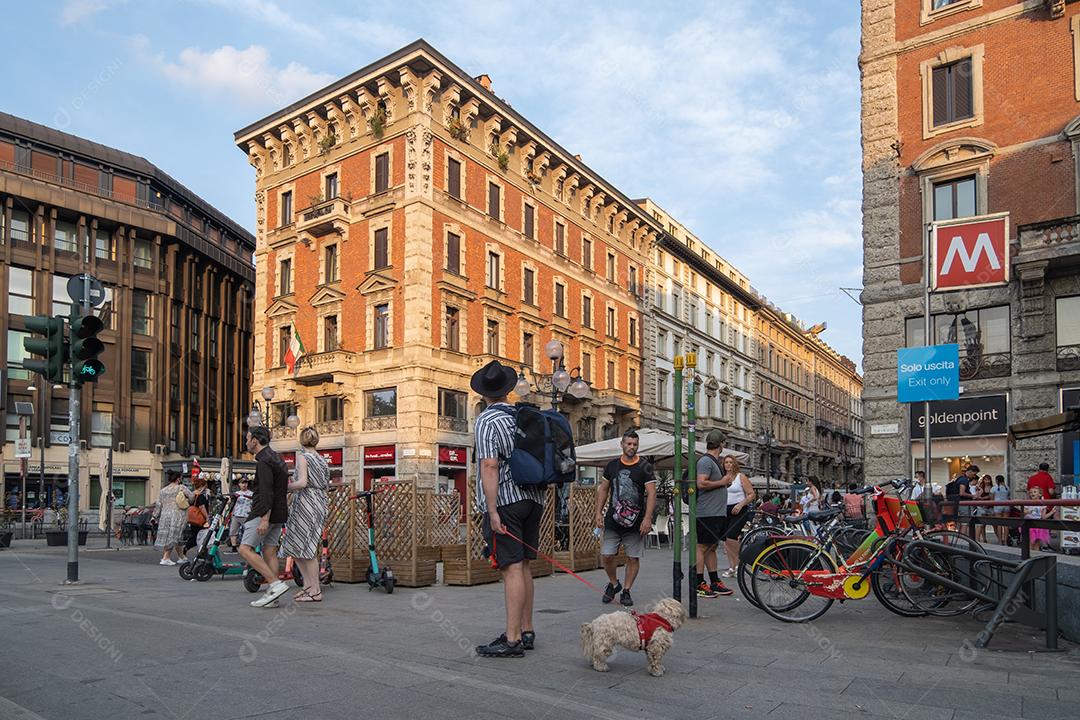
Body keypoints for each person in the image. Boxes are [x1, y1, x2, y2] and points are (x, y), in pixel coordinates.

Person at [471, 360, 546, 658]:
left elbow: (489, 465)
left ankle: (512, 639)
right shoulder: (522, 415)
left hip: (506, 500)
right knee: (524, 565)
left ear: (484, 394)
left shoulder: (487, 421)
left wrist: (492, 511)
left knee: (511, 567)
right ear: (507, 390)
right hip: (533, 499)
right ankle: (526, 629)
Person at [595, 430, 656, 607]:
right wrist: (598, 512)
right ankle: (614, 584)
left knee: (633, 557)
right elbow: (604, 489)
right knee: (606, 555)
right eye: (628, 444)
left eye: (635, 444)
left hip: (635, 522)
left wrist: (647, 518)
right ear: (622, 444)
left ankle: (627, 591)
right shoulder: (612, 466)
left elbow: (651, 493)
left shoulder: (644, 467)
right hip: (613, 520)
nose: (632, 447)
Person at [239, 426, 291, 609]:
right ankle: (273, 595)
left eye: (248, 439)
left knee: (245, 549)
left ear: (255, 440)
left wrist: (264, 518)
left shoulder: (264, 462)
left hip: (265, 512)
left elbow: (266, 491)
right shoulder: (277, 458)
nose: (246, 442)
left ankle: (275, 584)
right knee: (269, 551)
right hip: (280, 513)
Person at [279, 427, 330, 603]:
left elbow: (302, 482)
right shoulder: (322, 460)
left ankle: (315, 590)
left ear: (301, 440)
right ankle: (308, 587)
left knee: (305, 549)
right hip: (319, 502)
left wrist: (284, 487)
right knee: (298, 546)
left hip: (306, 502)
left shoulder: (302, 457)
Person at [695, 430, 735, 598]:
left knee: (711, 547)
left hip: (716, 512)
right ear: (722, 444)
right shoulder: (705, 461)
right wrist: (723, 482)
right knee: (702, 546)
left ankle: (714, 581)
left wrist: (723, 483)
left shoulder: (714, 461)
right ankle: (698, 583)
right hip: (707, 513)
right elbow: (701, 483)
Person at [720, 455, 755, 578]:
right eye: (726, 462)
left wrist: (740, 505)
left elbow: (751, 494)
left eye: (730, 462)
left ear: (734, 464)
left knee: (731, 536)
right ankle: (732, 566)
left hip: (739, 509)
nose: (728, 464)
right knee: (726, 539)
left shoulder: (741, 477)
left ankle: (740, 563)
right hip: (725, 510)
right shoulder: (722, 478)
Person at [153, 471, 191, 565]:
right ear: (178, 479)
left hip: (165, 515)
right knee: (173, 535)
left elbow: (158, 504)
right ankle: (166, 558)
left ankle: (181, 557)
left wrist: (154, 516)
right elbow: (192, 497)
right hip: (177, 514)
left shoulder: (163, 490)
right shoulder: (181, 488)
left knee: (172, 536)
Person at [183, 473, 211, 556]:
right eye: (205, 486)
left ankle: (188, 548)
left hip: (193, 519)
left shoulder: (192, 495)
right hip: (200, 519)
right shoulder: (201, 496)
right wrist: (207, 517)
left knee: (195, 536)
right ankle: (200, 552)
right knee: (201, 536)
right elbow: (202, 507)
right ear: (202, 486)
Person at [1026, 486, 1054, 552]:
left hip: (1038, 526)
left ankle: (1036, 557)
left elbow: (1043, 517)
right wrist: (1027, 511)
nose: (1032, 493)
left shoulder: (1042, 505)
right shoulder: (1027, 503)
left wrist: (1052, 512)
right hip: (1030, 525)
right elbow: (1023, 511)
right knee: (1031, 543)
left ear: (1040, 494)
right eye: (1031, 492)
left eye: (1035, 492)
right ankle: (1029, 556)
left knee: (1037, 543)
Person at [229, 477, 253, 550]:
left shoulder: (251, 493)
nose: (244, 485)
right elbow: (230, 502)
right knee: (233, 531)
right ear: (239, 484)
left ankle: (247, 546)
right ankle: (234, 546)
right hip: (236, 514)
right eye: (242, 483)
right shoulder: (236, 493)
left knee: (248, 531)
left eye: (245, 483)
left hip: (246, 515)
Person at [990, 475, 1010, 545]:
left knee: (999, 524)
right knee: (1006, 524)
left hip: (997, 505)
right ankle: (1005, 541)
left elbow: (992, 499)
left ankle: (1000, 541)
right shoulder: (1007, 488)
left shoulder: (994, 488)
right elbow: (1008, 496)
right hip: (1006, 505)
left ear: (996, 480)